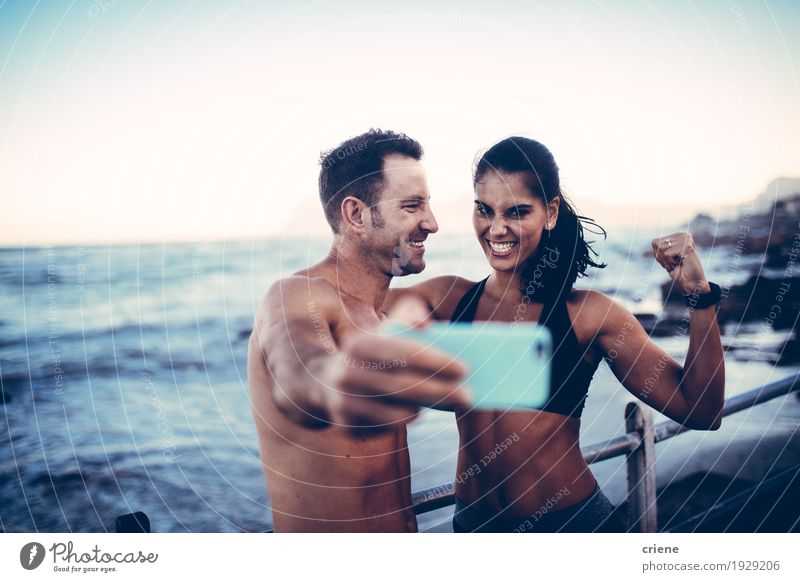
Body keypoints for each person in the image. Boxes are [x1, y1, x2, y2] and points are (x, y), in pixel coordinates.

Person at [386, 136, 725, 532]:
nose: (496, 229)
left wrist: (699, 296)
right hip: (474, 527)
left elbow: (703, 410)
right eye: (484, 209)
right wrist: (391, 243)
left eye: (517, 212)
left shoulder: (589, 316)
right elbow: (343, 313)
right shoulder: (447, 299)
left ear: (550, 213)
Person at [247, 129, 470, 532]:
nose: (432, 223)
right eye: (411, 206)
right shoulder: (295, 296)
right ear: (356, 215)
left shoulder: (382, 318)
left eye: (428, 206)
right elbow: (302, 381)